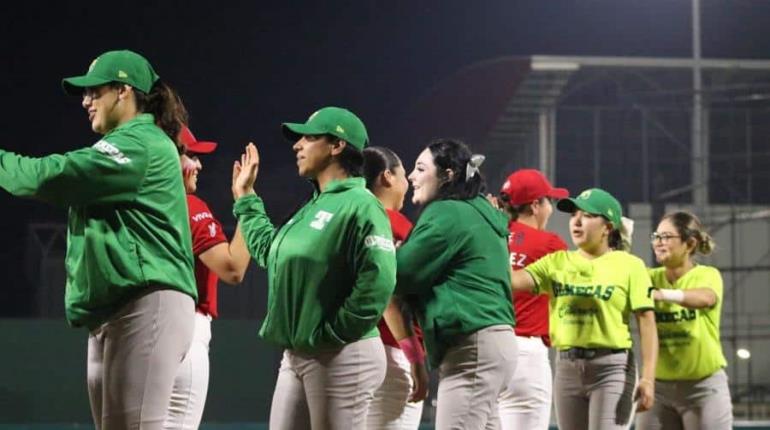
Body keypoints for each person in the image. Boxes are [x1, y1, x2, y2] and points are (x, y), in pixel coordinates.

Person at [0, 50, 197, 429]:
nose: (86, 102)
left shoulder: (141, 141)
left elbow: (48, 177)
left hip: (147, 301)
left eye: (94, 92)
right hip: (119, 307)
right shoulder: (129, 142)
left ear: (124, 90)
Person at [231, 107, 396, 429]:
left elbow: (379, 280)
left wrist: (334, 333)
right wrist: (246, 197)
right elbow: (268, 252)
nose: (297, 145)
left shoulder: (361, 204)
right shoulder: (313, 205)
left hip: (343, 354)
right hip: (299, 354)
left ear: (337, 145)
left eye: (309, 137)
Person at [510, 188, 658, 430]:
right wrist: (490, 236)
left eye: (587, 215)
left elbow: (647, 323)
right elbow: (513, 281)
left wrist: (649, 379)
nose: (576, 221)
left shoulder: (630, 265)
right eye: (573, 215)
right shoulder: (557, 261)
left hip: (611, 368)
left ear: (608, 227)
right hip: (567, 367)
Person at [395, 138, 517, 429]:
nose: (412, 176)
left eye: (420, 168)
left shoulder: (447, 211)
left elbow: (400, 276)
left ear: (447, 175)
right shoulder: (479, 209)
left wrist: (394, 252)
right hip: (494, 342)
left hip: (471, 345)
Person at [164, 126, 251, 430]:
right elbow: (233, 269)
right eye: (190, 155)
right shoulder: (187, 205)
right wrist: (248, 204)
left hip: (138, 331)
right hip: (185, 329)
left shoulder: (137, 206)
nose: (199, 165)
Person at [636, 211, 732, 429]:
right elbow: (623, 278)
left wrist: (664, 295)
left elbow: (705, 297)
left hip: (703, 387)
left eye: (666, 237)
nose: (658, 243)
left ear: (689, 244)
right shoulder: (650, 277)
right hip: (658, 389)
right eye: (656, 237)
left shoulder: (707, 274)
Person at [493, 169, 569, 430]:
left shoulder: (490, 236)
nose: (551, 209)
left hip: (487, 347)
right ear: (536, 205)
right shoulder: (550, 244)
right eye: (549, 201)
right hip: (527, 353)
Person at [362, 146, 429, 429]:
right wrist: (416, 359)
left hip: (350, 352)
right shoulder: (397, 225)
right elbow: (390, 296)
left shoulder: (350, 219)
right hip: (392, 350)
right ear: (387, 177)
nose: (408, 181)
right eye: (404, 174)